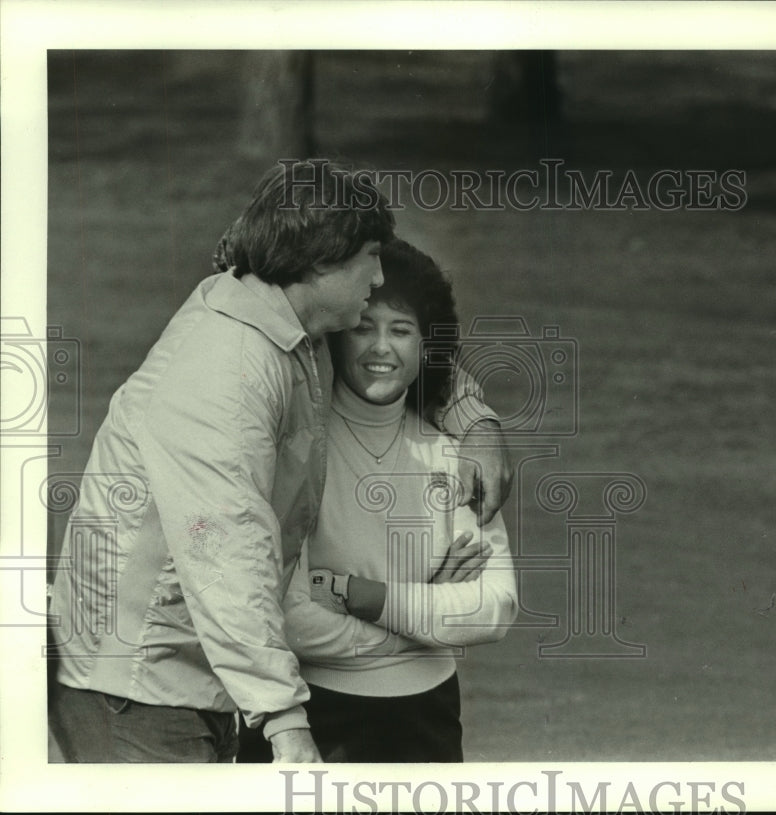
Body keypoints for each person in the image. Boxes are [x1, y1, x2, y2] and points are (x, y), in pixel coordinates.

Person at [47, 161, 511, 763]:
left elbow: (403, 356)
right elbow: (228, 555)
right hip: (135, 685)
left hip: (191, 675)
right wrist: (286, 720)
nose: (378, 276)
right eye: (370, 257)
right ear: (321, 261)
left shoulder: (283, 319)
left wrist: (477, 421)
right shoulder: (230, 371)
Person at [240, 239, 518, 763]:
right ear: (337, 337)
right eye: (364, 327)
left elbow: (493, 608)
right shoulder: (297, 446)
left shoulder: (455, 454)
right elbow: (287, 618)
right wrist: (423, 616)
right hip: (308, 711)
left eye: (402, 330)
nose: (381, 348)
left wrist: (357, 593)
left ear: (426, 344)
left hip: (427, 717)